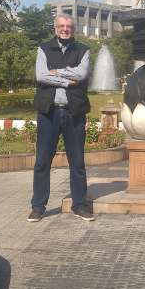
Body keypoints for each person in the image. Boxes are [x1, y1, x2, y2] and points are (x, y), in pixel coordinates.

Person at [28, 13, 94, 222]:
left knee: (77, 162)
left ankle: (79, 205)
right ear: (55, 29)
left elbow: (81, 74)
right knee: (42, 161)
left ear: (73, 30)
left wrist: (54, 72)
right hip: (49, 112)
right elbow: (41, 76)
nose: (65, 29)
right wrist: (67, 79)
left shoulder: (83, 50)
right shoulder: (44, 48)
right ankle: (38, 206)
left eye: (69, 26)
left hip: (74, 112)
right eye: (61, 26)